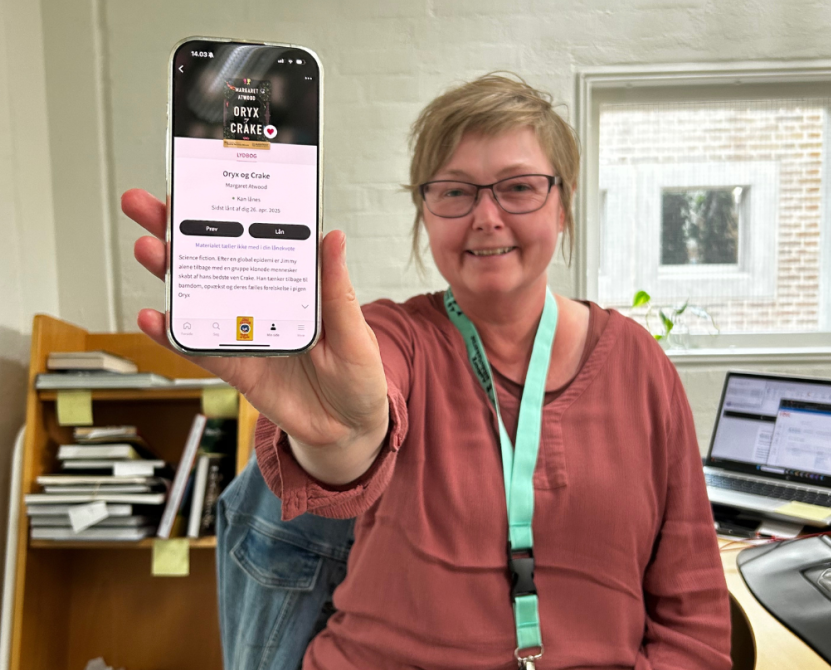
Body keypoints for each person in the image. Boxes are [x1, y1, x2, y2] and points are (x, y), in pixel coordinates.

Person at [123, 74, 731, 670]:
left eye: (519, 187)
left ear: (564, 205)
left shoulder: (638, 364)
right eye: (455, 191)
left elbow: (693, 618)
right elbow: (356, 438)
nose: (486, 216)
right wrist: (336, 438)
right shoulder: (393, 338)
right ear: (425, 210)